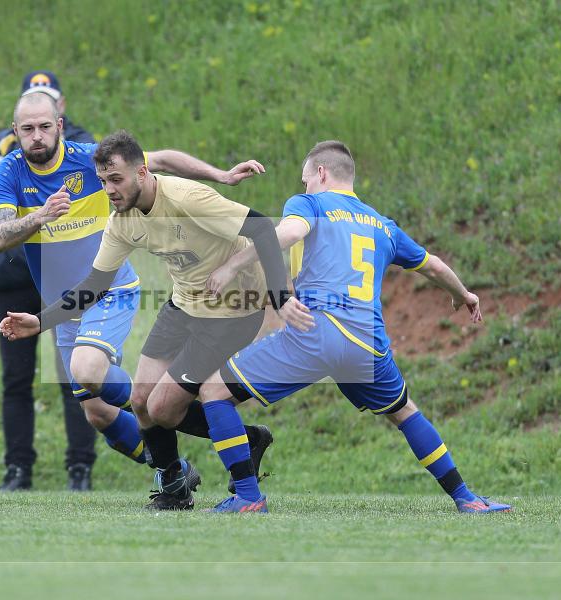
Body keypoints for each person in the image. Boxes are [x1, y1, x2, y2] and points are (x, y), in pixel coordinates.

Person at [197, 140, 513, 513]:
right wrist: (463, 294)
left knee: (214, 392)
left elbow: (287, 233)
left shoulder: (310, 204)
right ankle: (466, 498)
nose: (304, 188)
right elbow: (433, 266)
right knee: (405, 412)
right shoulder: (382, 224)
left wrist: (232, 265)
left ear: (321, 173)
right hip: (368, 343)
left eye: (305, 180)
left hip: (316, 332)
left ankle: (248, 497)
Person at [0, 130, 308, 510]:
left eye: (116, 179)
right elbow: (95, 284)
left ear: (142, 173)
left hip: (233, 309)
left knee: (163, 408)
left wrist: (280, 296)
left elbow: (261, 228)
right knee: (141, 398)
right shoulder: (122, 221)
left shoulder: (187, 198)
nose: (109, 190)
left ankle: (246, 468)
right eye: (102, 182)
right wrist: (40, 321)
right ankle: (176, 488)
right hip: (185, 303)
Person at [0, 70, 97, 491]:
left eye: (50, 105)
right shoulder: (9, 146)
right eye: (29, 118)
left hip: (65, 275)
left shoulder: (78, 141)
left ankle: (81, 468)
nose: (38, 131)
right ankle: (17, 470)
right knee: (16, 379)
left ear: (60, 109)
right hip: (13, 277)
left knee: (73, 375)